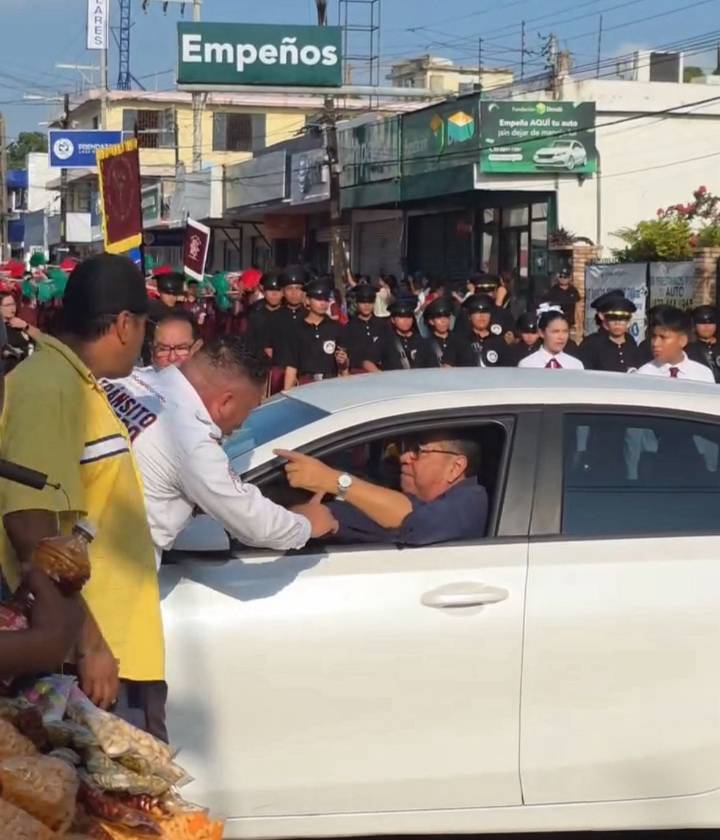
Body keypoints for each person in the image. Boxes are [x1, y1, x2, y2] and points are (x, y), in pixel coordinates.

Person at [0, 254, 166, 738]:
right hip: (92, 663)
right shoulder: (48, 388)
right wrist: (90, 643)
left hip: (117, 649)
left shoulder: (75, 383)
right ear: (122, 324)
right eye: (143, 326)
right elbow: (31, 526)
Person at [102, 336, 338, 561]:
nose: (244, 423)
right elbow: (251, 520)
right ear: (226, 402)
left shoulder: (126, 380)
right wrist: (306, 523)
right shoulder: (191, 440)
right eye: (250, 408)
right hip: (118, 572)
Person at [275, 431, 487, 546]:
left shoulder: (470, 502)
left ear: (456, 467)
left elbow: (413, 522)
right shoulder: (401, 497)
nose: (404, 458)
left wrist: (334, 480)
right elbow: (353, 515)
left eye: (418, 451)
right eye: (405, 449)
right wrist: (306, 516)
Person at [284, 281, 350, 389]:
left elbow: (344, 366)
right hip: (305, 384)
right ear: (307, 300)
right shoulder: (297, 329)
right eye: (318, 299)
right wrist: (287, 392)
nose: (323, 303)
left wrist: (344, 361)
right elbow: (291, 366)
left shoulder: (336, 328)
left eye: (326, 299)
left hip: (330, 384)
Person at [636, 306, 715, 382]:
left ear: (682, 341)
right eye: (653, 337)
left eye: (663, 337)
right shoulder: (644, 374)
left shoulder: (702, 375)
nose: (656, 343)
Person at [579, 296, 641, 372]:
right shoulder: (592, 344)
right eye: (612, 318)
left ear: (628, 322)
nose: (617, 323)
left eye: (622, 318)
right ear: (605, 321)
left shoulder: (631, 342)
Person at [374, 298, 438, 371]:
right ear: (393, 320)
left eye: (408, 316)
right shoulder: (386, 340)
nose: (405, 320)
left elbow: (433, 367)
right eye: (401, 317)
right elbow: (367, 361)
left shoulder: (422, 342)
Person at [519, 306, 585, 369]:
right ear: (541, 333)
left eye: (565, 331)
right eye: (555, 331)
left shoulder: (575, 365)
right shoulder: (527, 365)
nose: (561, 337)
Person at [344, 284, 389, 373]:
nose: (367, 305)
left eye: (370, 302)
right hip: (358, 373)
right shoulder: (349, 327)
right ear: (357, 303)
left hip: (381, 371)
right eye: (363, 302)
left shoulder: (382, 325)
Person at [459, 294, 508, 368]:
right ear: (469, 316)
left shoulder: (499, 342)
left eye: (485, 312)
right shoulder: (459, 341)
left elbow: (508, 370)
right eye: (476, 312)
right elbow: (447, 369)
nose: (481, 316)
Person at [423, 296, 473, 367]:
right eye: (439, 317)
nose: (443, 321)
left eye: (446, 316)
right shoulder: (425, 344)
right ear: (431, 321)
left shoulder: (461, 341)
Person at [244, 273, 284, 359]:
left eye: (278, 290)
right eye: (270, 290)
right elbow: (249, 342)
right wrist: (262, 351)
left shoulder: (289, 315)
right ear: (264, 292)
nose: (274, 294)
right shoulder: (256, 314)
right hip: (260, 363)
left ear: (283, 292)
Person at [1, 292, 39, 373]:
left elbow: (40, 339)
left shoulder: (20, 323)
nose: (12, 308)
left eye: (13, 304)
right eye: (8, 305)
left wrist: (25, 326)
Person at [687, 305, 720, 382]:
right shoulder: (688, 351)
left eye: (711, 322)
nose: (706, 326)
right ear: (694, 325)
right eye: (701, 323)